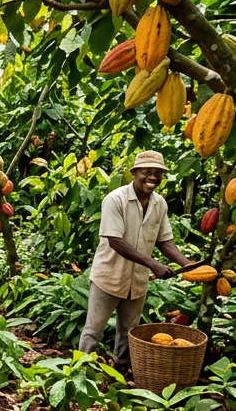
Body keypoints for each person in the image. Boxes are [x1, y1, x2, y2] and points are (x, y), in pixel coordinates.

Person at [78, 151, 193, 374]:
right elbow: (115, 241)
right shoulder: (115, 199)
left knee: (129, 331)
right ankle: (79, 375)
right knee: (93, 330)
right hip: (108, 277)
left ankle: (120, 376)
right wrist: (154, 265)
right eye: (147, 172)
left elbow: (164, 241)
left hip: (137, 281)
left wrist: (188, 265)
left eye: (158, 173)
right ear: (134, 173)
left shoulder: (159, 204)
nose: (152, 177)